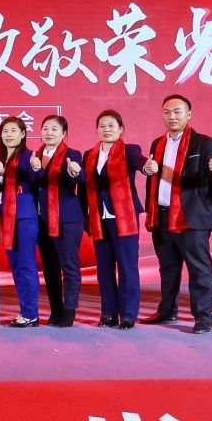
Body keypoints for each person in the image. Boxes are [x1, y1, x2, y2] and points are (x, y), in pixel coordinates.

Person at [141, 94, 212, 333]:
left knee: (199, 268)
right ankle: (167, 311)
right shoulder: (157, 143)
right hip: (163, 215)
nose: (172, 117)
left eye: (178, 112)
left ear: (189, 114)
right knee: (168, 267)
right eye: (167, 112)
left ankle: (203, 316)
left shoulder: (204, 143)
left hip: (192, 217)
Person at [83, 110, 146, 330]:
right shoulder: (89, 154)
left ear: (121, 129)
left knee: (127, 267)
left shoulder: (130, 150)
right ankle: (108, 313)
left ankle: (128, 314)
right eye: (102, 126)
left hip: (124, 217)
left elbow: (140, 163)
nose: (106, 129)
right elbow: (83, 186)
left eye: (111, 126)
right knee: (104, 269)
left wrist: (147, 167)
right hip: (99, 218)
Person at [32, 115, 85, 328]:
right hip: (41, 219)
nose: (49, 133)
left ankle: (69, 311)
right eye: (45, 128)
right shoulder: (35, 156)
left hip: (67, 219)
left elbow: (79, 177)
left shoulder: (72, 154)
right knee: (50, 267)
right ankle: (56, 309)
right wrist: (35, 169)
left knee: (69, 266)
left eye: (54, 129)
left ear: (63, 134)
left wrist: (74, 172)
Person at [0, 118, 43, 327]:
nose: (9, 135)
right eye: (5, 131)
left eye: (14, 130)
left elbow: (37, 178)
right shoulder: (0, 159)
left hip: (24, 217)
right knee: (15, 266)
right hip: (6, 218)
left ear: (23, 134)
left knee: (26, 265)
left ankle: (31, 314)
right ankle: (25, 311)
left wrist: (36, 168)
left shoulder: (27, 156)